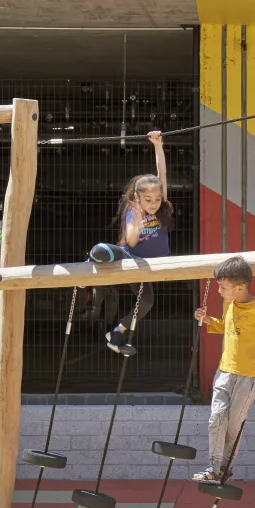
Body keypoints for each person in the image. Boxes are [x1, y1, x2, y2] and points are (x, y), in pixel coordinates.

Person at [193, 256, 255, 484]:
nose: (219, 291)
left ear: (240, 287)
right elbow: (227, 327)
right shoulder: (230, 303)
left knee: (234, 425)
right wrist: (207, 320)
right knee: (216, 419)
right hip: (224, 372)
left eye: (223, 287)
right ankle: (214, 467)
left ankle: (224, 468)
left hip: (247, 377)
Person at [89, 130, 172, 353]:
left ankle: (116, 334)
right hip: (131, 257)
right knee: (102, 250)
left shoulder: (161, 205)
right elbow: (132, 242)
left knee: (146, 302)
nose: (154, 204)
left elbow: (161, 172)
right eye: (148, 200)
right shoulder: (132, 212)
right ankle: (89, 266)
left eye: (156, 199)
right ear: (137, 198)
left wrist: (158, 145)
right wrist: (136, 222)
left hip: (147, 266)